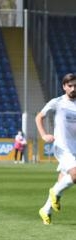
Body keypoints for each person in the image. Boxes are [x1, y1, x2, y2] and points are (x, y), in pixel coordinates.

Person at [37, 72, 76, 225]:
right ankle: (55, 193)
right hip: (63, 147)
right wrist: (44, 135)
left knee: (63, 179)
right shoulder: (57, 102)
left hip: (75, 147)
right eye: (70, 86)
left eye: (75, 86)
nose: (73, 88)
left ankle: (45, 210)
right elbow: (39, 116)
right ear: (64, 87)